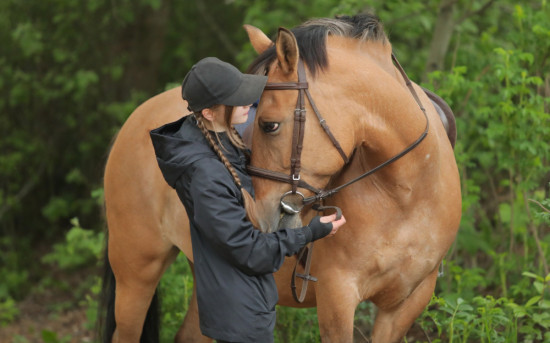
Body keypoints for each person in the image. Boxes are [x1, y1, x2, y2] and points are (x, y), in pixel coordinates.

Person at [150, 57, 346, 343]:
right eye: (236, 98)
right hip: (239, 313)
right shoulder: (206, 175)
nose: (248, 102)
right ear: (208, 113)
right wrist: (312, 232)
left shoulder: (224, 144)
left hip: (249, 302)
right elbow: (249, 251)